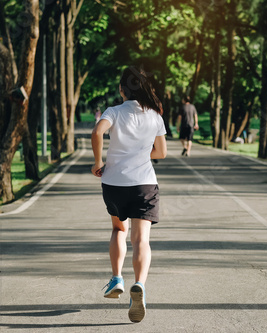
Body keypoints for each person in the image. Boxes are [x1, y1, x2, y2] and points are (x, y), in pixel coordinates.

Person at [91, 66, 167, 323]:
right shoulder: (155, 115)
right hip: (144, 183)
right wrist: (140, 155)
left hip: (114, 183)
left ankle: (116, 278)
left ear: (122, 89)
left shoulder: (113, 112)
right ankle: (140, 285)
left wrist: (98, 162)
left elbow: (97, 132)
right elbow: (161, 153)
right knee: (141, 239)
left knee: (118, 231)